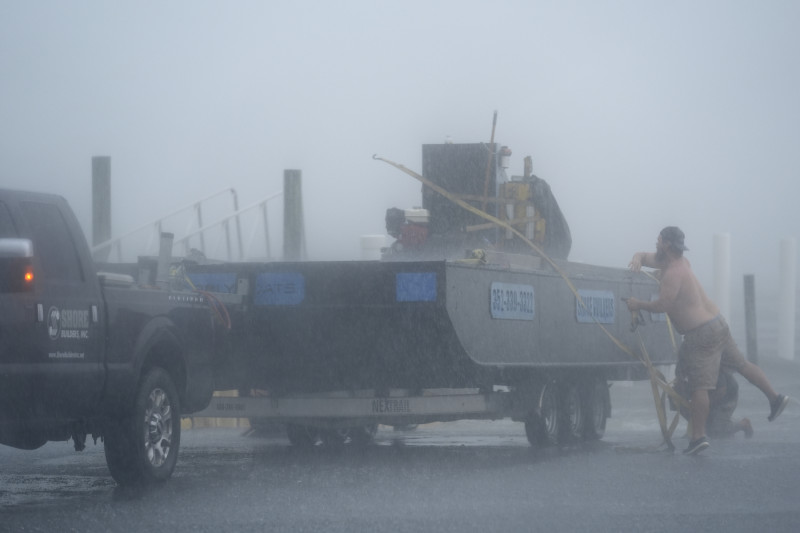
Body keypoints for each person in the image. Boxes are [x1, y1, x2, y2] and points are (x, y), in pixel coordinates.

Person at [625, 226, 789, 455]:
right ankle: (775, 398)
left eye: (658, 240)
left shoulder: (672, 273)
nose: (655, 243)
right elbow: (645, 256)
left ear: (666, 245)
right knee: (742, 365)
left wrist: (637, 304)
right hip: (717, 323)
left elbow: (663, 305)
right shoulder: (680, 263)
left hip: (701, 334)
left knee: (698, 386)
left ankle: (698, 437)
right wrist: (636, 258)